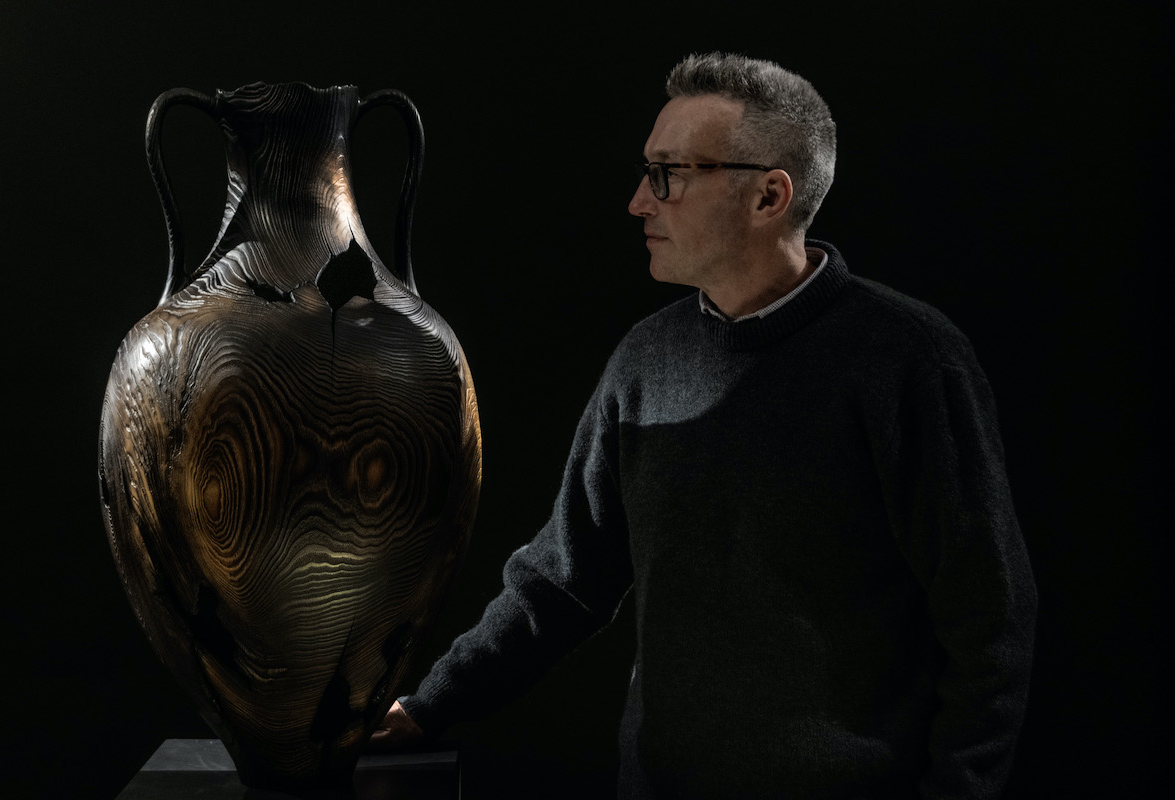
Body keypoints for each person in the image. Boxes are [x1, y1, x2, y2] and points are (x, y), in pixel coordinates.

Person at [370, 52, 1037, 799]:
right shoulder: (644, 362)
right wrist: (428, 709)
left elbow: (989, 618)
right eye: (646, 171)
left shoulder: (909, 360)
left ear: (768, 196)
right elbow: (561, 584)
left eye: (669, 175)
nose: (638, 202)